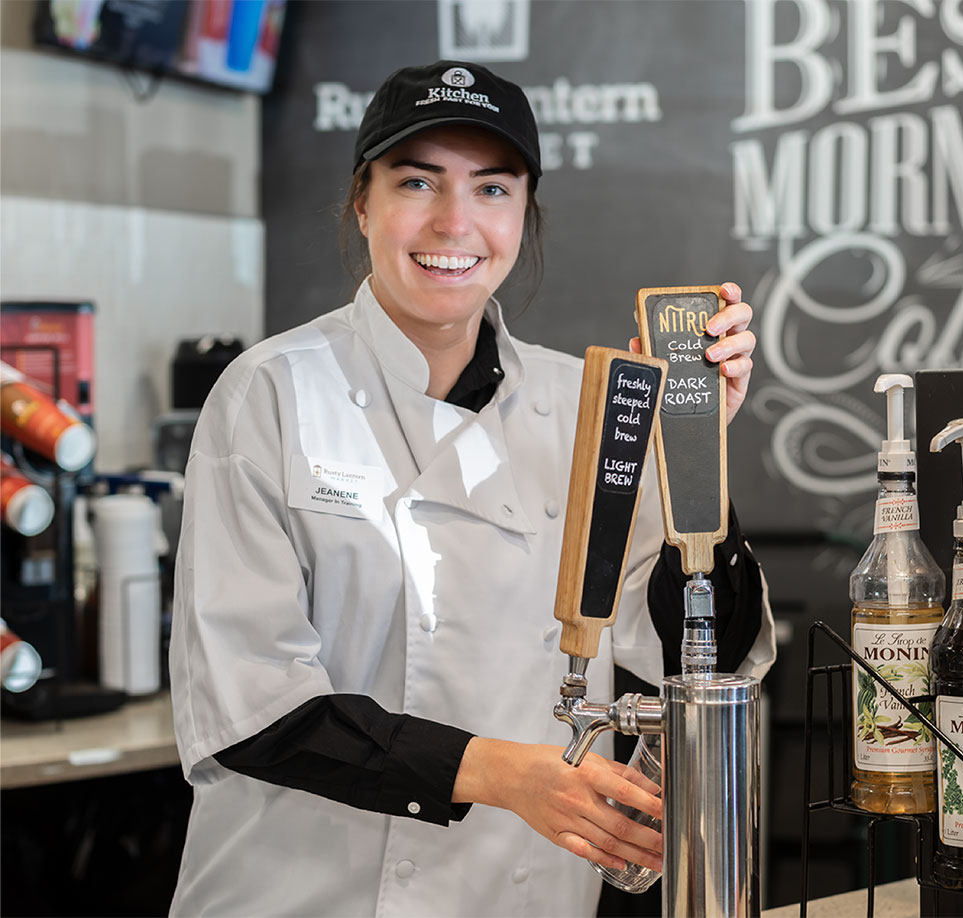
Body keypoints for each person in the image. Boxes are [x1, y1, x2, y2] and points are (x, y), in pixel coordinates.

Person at [168, 60, 775, 918]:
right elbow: (255, 709)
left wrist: (695, 461)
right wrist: (505, 773)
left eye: (492, 189)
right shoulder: (268, 394)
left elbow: (693, 652)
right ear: (363, 203)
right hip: (298, 893)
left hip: (521, 892)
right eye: (417, 181)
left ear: (525, 216)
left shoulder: (591, 404)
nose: (455, 222)